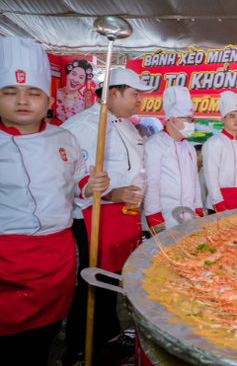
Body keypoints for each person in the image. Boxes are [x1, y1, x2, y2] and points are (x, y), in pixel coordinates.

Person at [0, 37, 109, 366]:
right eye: (9, 92)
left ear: (48, 98)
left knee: (42, 338)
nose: (22, 101)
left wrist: (91, 185)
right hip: (6, 259)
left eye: (33, 93)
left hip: (56, 256)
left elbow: (76, 180)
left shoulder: (65, 137)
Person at [60, 67, 155, 363]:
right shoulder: (86, 125)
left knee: (111, 281)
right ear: (113, 92)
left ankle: (107, 335)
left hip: (123, 215)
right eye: (135, 93)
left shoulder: (126, 124)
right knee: (90, 284)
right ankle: (78, 348)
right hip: (93, 217)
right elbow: (71, 178)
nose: (140, 100)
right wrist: (112, 193)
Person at [143, 86, 203, 229]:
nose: (191, 123)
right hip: (164, 218)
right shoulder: (154, 145)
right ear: (173, 120)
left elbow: (195, 182)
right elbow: (151, 186)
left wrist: (199, 211)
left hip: (190, 217)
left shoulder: (189, 147)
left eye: (192, 119)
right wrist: (155, 220)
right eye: (188, 119)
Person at [203, 91, 237, 212]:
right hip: (221, 201)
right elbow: (210, 176)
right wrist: (219, 204)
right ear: (222, 119)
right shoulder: (214, 143)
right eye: (232, 116)